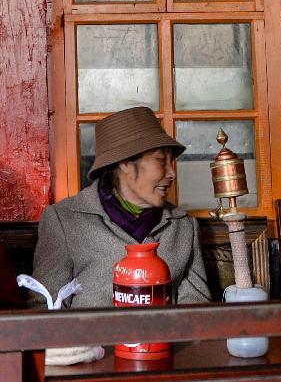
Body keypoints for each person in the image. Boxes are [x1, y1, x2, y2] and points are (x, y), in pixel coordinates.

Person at [29, 106, 211, 309]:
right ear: (125, 163)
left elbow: (197, 308)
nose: (171, 173)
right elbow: (45, 306)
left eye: (172, 162)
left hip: (164, 340)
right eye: (161, 160)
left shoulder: (183, 226)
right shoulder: (64, 220)